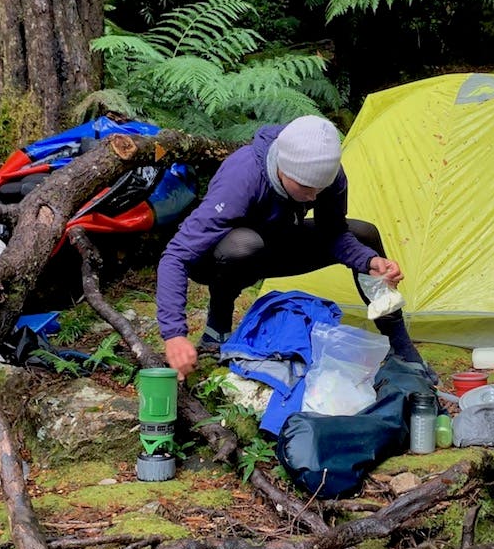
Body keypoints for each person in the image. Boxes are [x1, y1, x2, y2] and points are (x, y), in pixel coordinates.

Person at [155, 115, 424, 379]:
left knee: (364, 235)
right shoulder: (243, 175)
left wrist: (368, 261)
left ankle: (401, 348)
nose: (313, 196)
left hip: (277, 241)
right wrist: (174, 335)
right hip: (219, 258)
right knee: (243, 244)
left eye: (321, 188)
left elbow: (333, 234)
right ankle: (218, 326)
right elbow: (176, 256)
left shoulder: (328, 176)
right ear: (282, 169)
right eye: (306, 187)